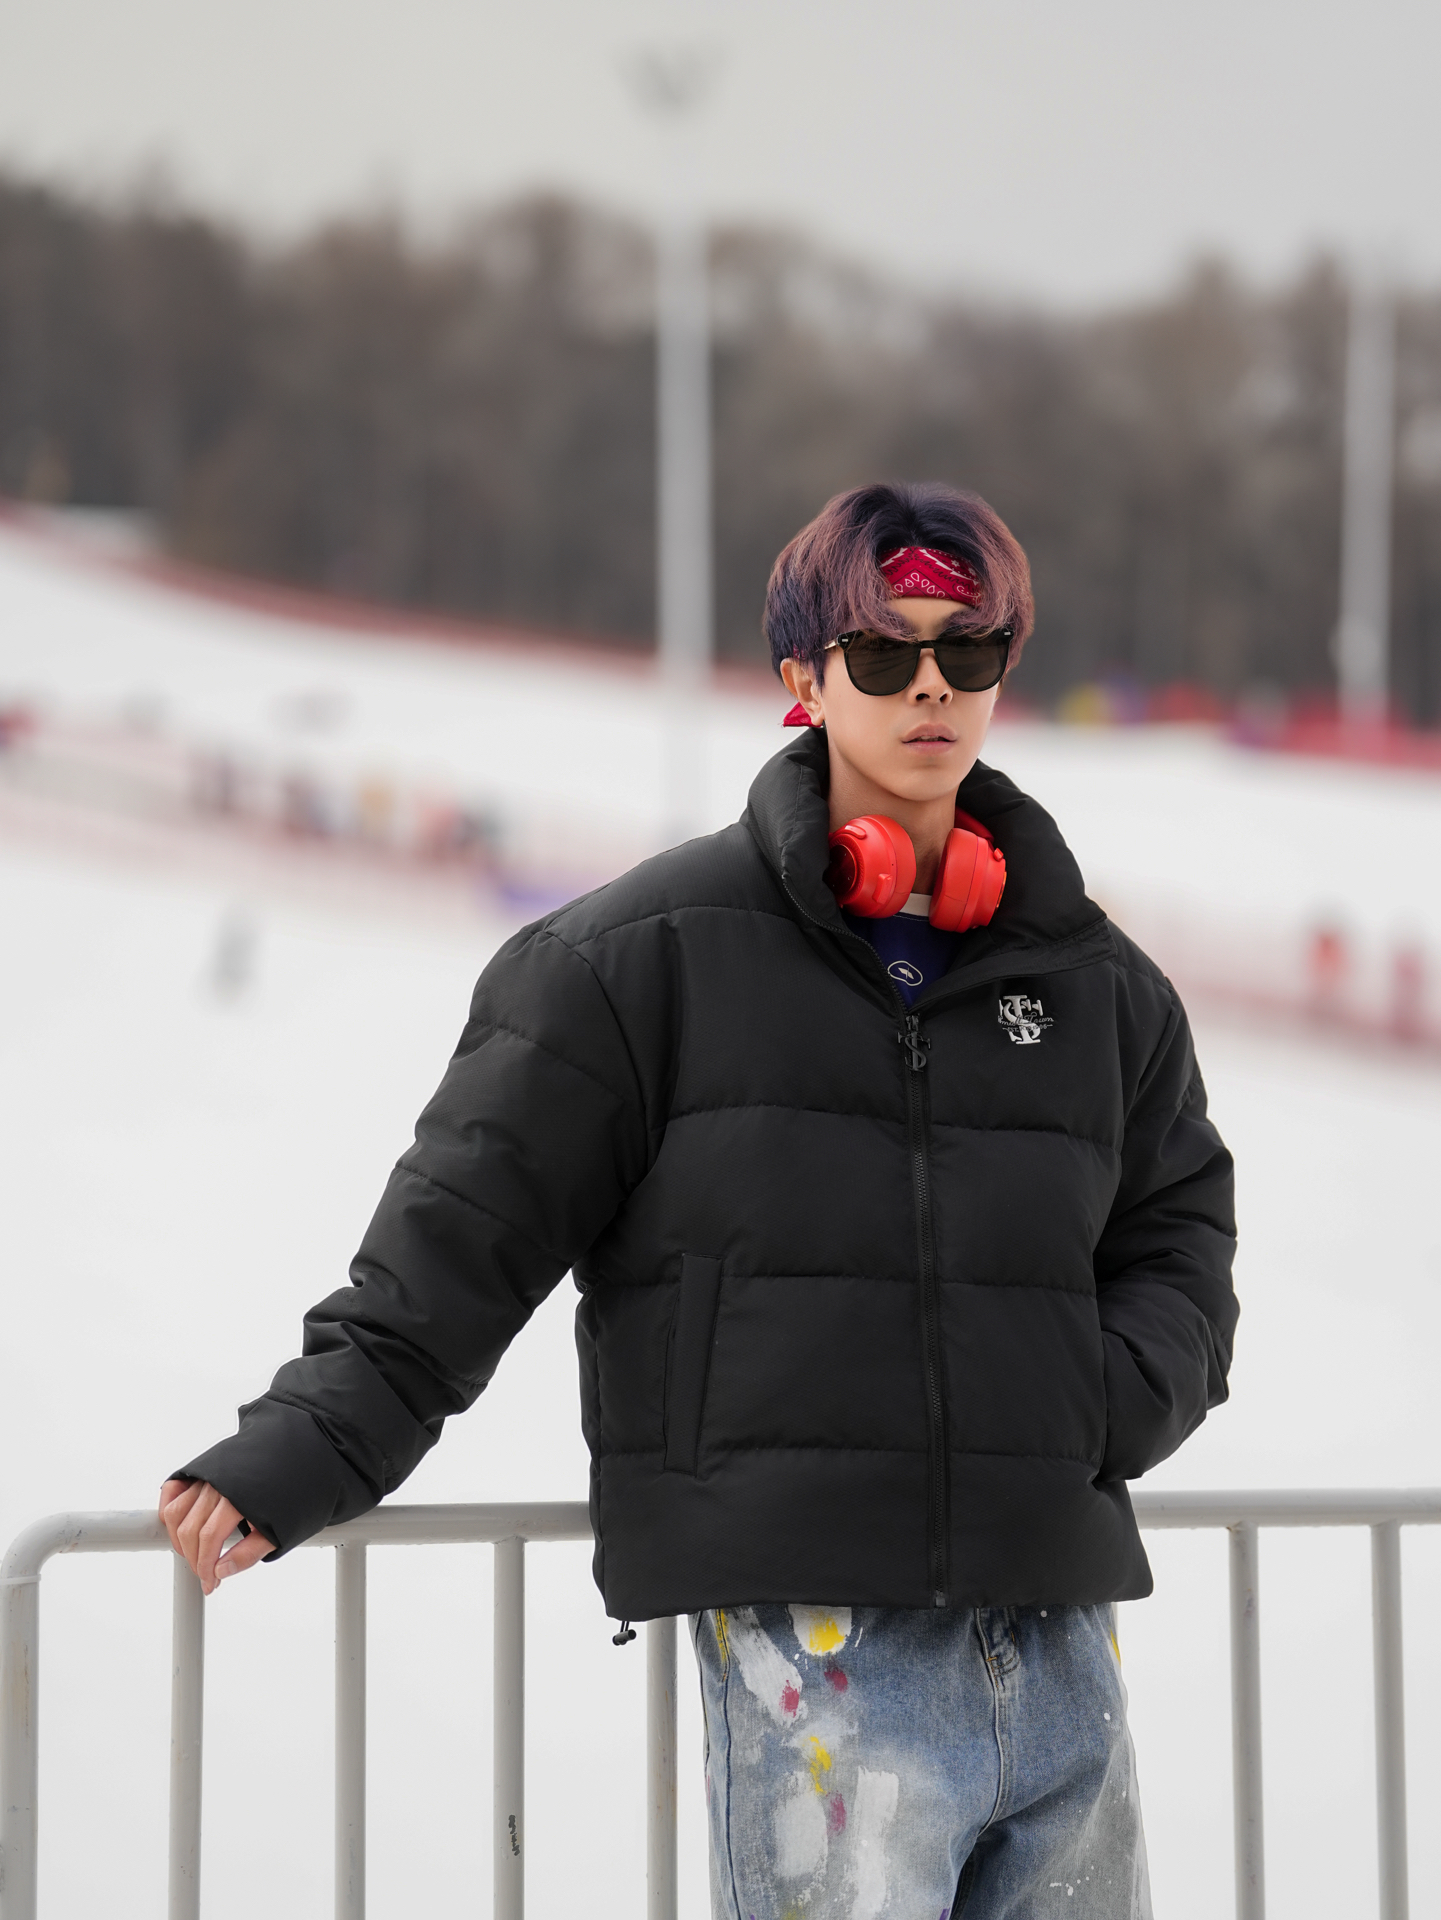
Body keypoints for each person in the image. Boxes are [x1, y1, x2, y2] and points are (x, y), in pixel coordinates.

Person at [162, 480, 1237, 1918]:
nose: (931, 686)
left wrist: (1101, 1405)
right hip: (817, 1644)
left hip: (1056, 1626)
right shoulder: (633, 963)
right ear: (804, 677)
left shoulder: (1097, 985)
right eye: (883, 652)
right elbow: (462, 1241)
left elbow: (1180, 1238)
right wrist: (306, 1445)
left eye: (968, 650)